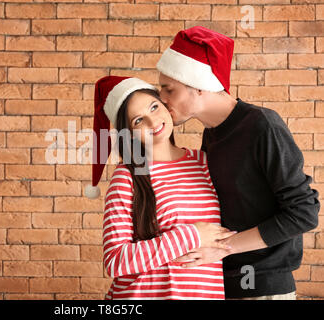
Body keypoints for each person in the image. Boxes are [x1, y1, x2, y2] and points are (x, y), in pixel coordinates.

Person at [156, 26, 320, 300]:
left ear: (198, 86)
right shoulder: (213, 134)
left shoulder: (262, 126)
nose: (162, 98)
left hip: (263, 285)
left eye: (169, 89)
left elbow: (304, 213)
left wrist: (223, 248)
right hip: (221, 282)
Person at [85, 75, 236, 299]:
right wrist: (191, 235)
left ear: (165, 104)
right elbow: (115, 261)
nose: (152, 122)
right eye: (138, 120)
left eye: (154, 107)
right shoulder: (127, 177)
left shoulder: (204, 162)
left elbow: (229, 230)